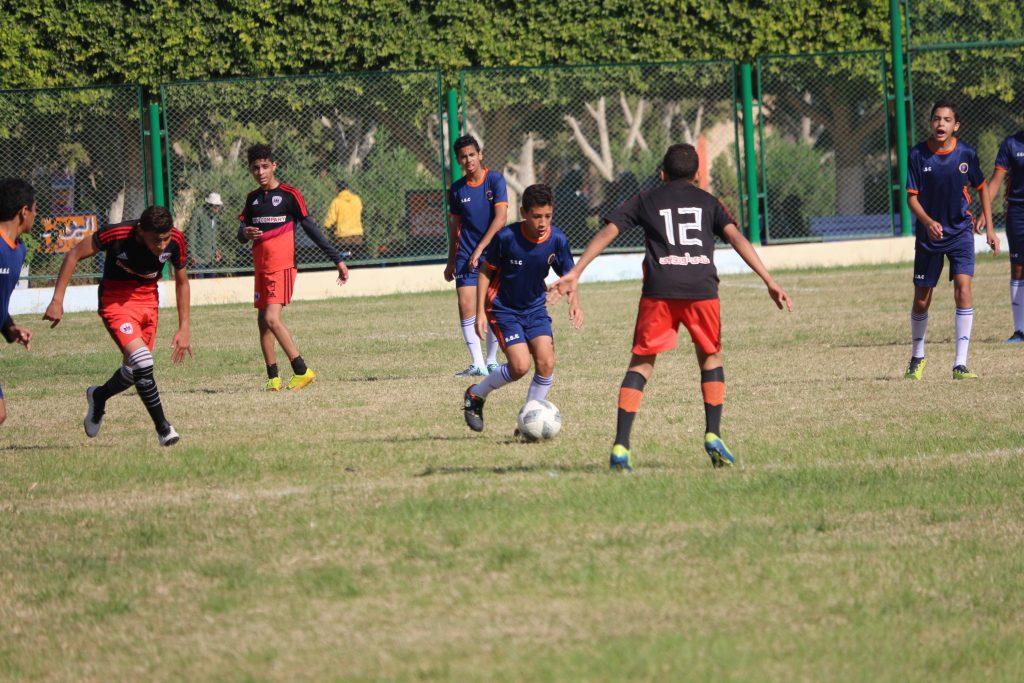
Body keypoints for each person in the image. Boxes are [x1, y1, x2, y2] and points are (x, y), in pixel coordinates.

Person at [548, 143, 793, 472]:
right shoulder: (709, 202)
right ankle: (713, 434)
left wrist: (576, 272)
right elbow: (737, 238)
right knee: (710, 358)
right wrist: (769, 279)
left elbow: (608, 231)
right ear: (698, 175)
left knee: (641, 364)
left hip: (659, 291)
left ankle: (621, 445)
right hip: (701, 290)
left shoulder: (646, 199)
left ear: (661, 174)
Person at [43, 206, 192, 446]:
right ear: (141, 231)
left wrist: (184, 327)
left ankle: (98, 396)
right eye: (156, 240)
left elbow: (182, 283)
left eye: (165, 239)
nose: (162, 245)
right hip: (115, 301)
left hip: (148, 301)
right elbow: (74, 254)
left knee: (135, 372)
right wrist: (57, 300)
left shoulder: (175, 240)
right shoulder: (116, 234)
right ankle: (164, 428)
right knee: (143, 361)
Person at [462, 184, 582, 433]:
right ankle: (476, 394)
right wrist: (481, 312)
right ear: (523, 212)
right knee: (519, 366)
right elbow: (484, 272)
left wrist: (574, 303)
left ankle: (528, 420)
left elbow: (569, 275)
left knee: (546, 363)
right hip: (503, 308)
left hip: (535, 307)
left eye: (547, 216)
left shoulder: (557, 239)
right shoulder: (507, 238)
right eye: (537, 216)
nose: (542, 222)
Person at [237, 144, 349, 391]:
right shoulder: (252, 199)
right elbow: (240, 233)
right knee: (262, 322)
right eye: (256, 168)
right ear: (251, 170)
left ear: (274, 166)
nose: (261, 172)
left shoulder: (289, 195)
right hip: (261, 269)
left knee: (272, 318)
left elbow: (311, 228)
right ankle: (273, 378)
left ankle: (302, 370)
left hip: (282, 267)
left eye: (265, 166)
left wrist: (336, 259)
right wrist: (245, 232)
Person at [904, 101, 997, 380]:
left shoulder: (966, 153)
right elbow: (911, 198)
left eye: (946, 120)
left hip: (960, 232)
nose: (941, 124)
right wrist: (928, 222)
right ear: (931, 123)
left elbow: (981, 189)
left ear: (955, 126)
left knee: (963, 288)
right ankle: (917, 357)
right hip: (929, 236)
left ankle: (960, 363)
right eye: (936, 119)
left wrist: (989, 228)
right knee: (922, 299)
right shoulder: (918, 155)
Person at [445, 134, 507, 377]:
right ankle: (477, 363)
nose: (468, 160)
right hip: (465, 256)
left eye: (472, 154)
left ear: (480, 155)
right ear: (459, 161)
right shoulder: (458, 190)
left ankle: (492, 360)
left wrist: (481, 249)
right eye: (463, 157)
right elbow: (455, 227)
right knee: (465, 303)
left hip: (493, 253)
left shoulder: (495, 180)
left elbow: (501, 219)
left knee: (491, 305)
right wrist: (451, 261)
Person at [0, 178, 36, 426]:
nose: (36, 216)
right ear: (24, 211)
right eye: (35, 210)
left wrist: (9, 328)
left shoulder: (18, 250)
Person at [984, 129, 1024, 342]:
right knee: (1018, 267)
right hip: (1018, 211)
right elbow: (996, 182)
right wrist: (985, 210)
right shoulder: (1011, 143)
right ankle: (1020, 330)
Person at [323, 179, 363, 257]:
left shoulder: (336, 201)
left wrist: (325, 226)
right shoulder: (357, 199)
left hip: (343, 236)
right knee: (356, 255)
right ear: (347, 188)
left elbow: (331, 219)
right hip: (357, 234)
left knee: (344, 256)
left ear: (337, 189)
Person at [188, 191, 223, 277]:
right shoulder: (198, 213)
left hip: (210, 258)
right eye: (216, 207)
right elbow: (192, 234)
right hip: (198, 258)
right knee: (200, 285)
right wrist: (192, 254)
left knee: (211, 284)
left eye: (219, 207)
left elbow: (213, 236)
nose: (218, 209)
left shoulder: (214, 216)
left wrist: (216, 250)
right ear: (209, 205)